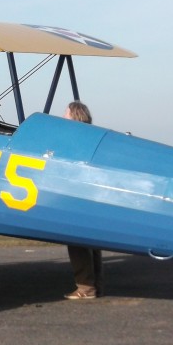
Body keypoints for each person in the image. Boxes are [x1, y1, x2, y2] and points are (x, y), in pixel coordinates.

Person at [62, 101, 102, 300]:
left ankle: (86, 289)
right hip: (92, 197)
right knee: (92, 242)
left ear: (73, 116)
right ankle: (94, 283)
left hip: (78, 197)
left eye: (66, 114)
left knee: (76, 241)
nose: (63, 117)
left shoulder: (74, 139)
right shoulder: (92, 136)